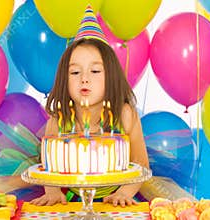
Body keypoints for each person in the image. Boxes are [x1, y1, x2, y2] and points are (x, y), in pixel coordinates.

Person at [29, 26, 149, 206]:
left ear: (111, 76)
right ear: (64, 78)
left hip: (115, 199)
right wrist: (52, 191)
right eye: (75, 72)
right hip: (74, 202)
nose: (84, 79)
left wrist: (124, 193)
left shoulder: (124, 115)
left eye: (95, 71)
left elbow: (141, 164)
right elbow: (48, 167)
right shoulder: (59, 121)